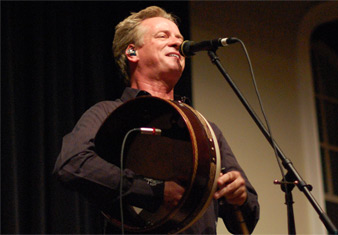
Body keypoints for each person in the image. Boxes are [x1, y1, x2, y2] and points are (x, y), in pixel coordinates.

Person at [53, 6, 259, 234]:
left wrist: (238, 197)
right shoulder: (107, 112)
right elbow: (71, 164)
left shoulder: (205, 129)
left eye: (180, 38)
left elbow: (246, 222)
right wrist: (155, 191)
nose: (176, 43)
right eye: (163, 36)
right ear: (132, 53)